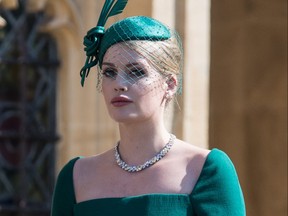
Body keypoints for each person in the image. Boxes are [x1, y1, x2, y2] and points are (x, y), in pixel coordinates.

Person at [51, 1, 245, 215]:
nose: (119, 83)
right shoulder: (75, 176)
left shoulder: (206, 169)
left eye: (136, 72)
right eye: (109, 72)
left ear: (170, 84)